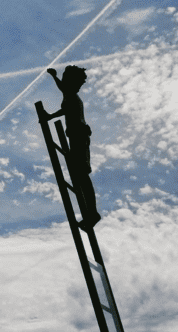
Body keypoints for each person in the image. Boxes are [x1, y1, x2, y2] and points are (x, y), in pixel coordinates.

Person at [46, 65, 101, 230]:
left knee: (82, 175)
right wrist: (49, 116)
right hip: (77, 137)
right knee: (79, 176)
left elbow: (64, 90)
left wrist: (54, 76)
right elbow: (65, 110)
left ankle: (92, 213)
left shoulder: (72, 95)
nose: (79, 85)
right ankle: (89, 212)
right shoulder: (72, 97)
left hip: (79, 137)